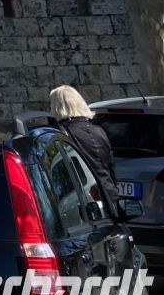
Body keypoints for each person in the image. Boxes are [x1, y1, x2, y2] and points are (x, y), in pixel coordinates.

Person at [49, 85, 123, 218]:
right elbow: (110, 167)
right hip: (109, 197)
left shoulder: (63, 134)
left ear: (57, 107)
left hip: (85, 203)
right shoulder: (99, 130)